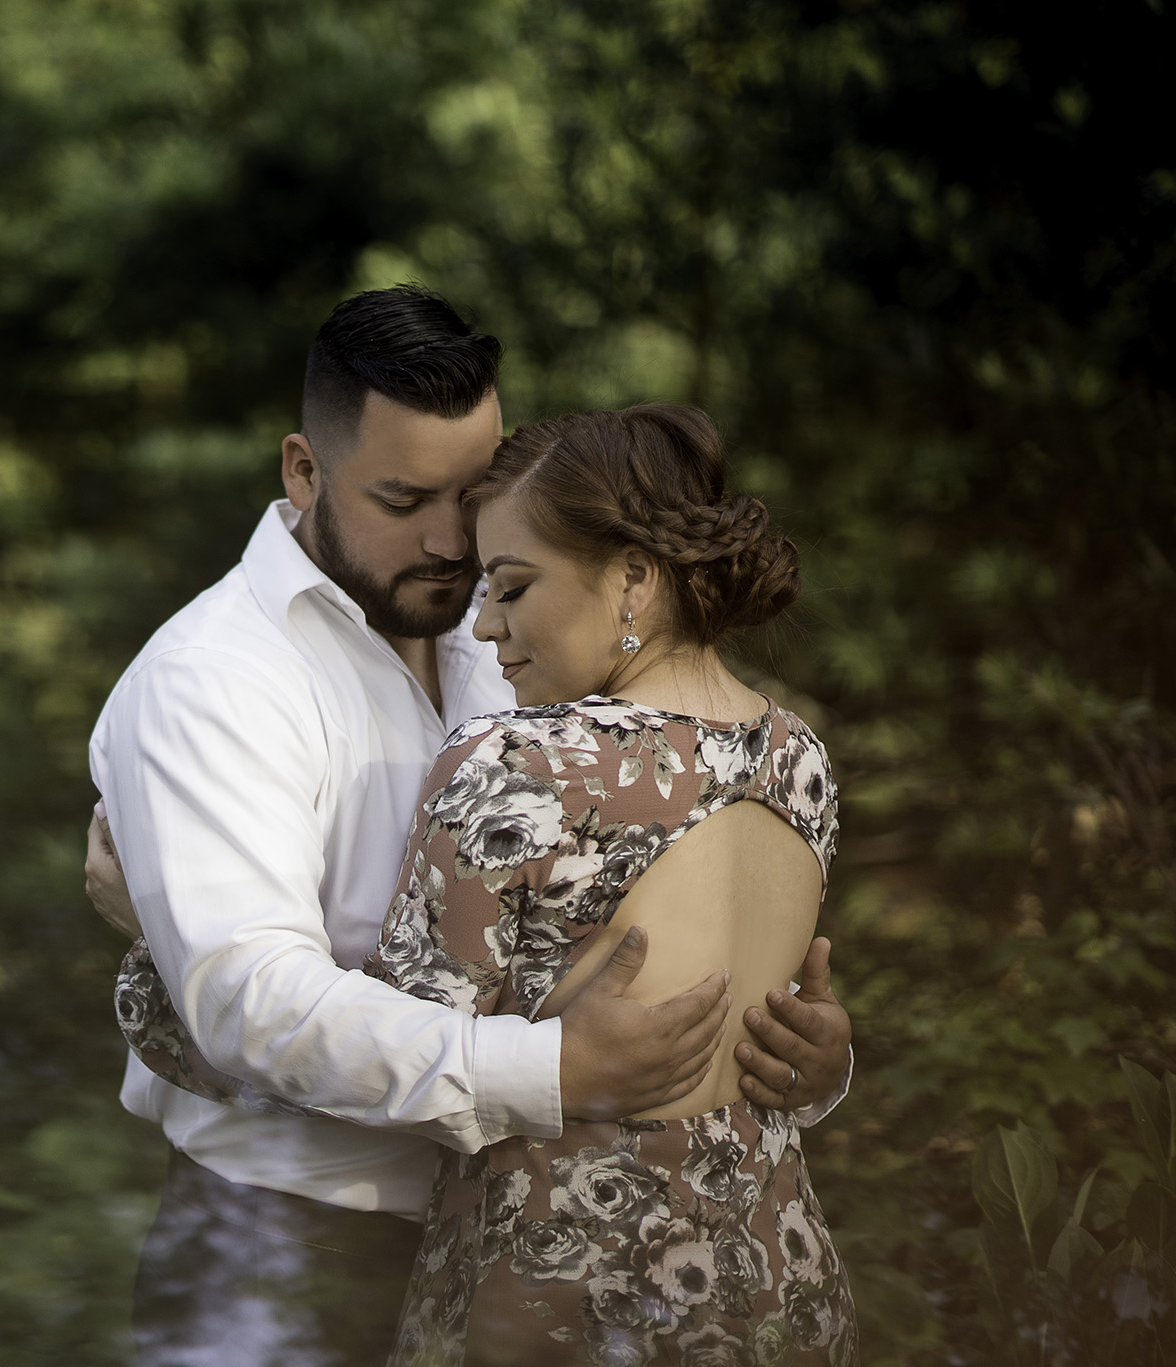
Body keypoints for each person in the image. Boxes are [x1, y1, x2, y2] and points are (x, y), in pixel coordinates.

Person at [86, 287, 853, 1367]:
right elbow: (248, 1001)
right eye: (404, 498)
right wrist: (547, 1068)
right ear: (301, 470)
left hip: (524, 1250)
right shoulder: (208, 682)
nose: (452, 540)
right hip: (291, 1239)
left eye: (473, 492)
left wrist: (792, 1054)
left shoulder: (509, 630)